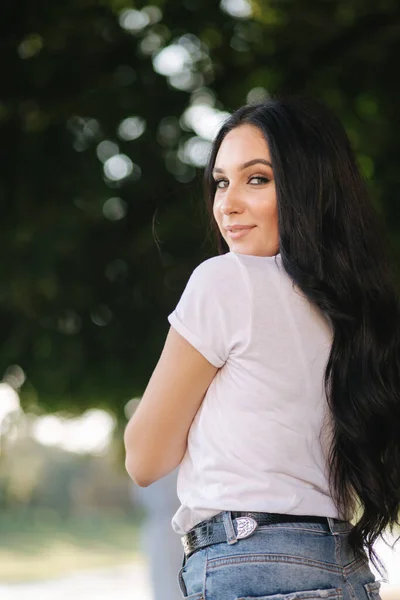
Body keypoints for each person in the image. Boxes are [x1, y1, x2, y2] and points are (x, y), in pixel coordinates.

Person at [124, 96, 400, 600]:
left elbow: (144, 458)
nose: (226, 204)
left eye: (257, 179)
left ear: (308, 189)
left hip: (249, 561)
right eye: (221, 182)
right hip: (343, 566)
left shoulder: (226, 281)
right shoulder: (355, 310)